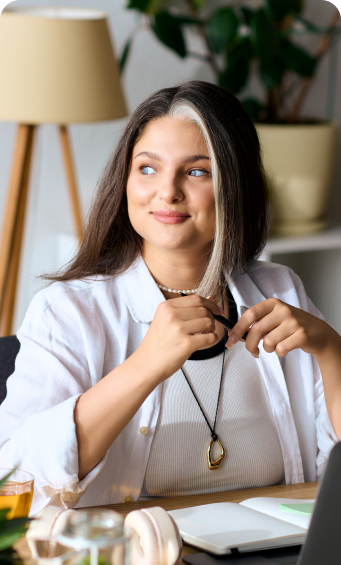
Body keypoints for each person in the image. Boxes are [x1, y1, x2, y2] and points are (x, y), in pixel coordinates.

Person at [0, 81, 340, 516]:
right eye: (147, 168)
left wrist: (331, 349)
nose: (167, 191)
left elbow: (334, 475)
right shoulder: (67, 311)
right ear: (123, 179)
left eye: (196, 171)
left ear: (234, 184)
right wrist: (145, 365)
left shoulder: (281, 289)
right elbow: (13, 478)